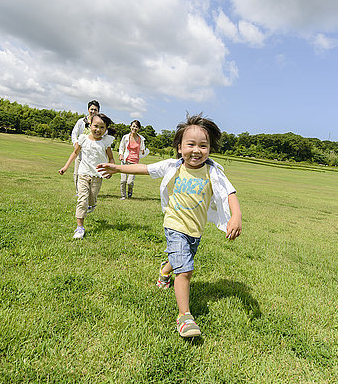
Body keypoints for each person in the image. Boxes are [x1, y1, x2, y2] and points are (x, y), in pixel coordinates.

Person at [98, 113, 242, 338]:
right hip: (174, 225)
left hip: (196, 229)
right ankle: (184, 317)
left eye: (203, 146)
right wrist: (117, 168)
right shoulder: (173, 166)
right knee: (186, 269)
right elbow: (145, 169)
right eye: (191, 144)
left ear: (210, 148)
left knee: (179, 262)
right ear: (179, 147)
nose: (197, 150)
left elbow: (230, 193)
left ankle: (165, 270)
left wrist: (236, 216)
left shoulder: (213, 171)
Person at [59, 113, 115, 239]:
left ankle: (92, 204)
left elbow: (111, 158)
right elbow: (75, 153)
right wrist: (65, 167)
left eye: (102, 127)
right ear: (90, 125)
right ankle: (79, 228)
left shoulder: (106, 142)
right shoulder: (83, 138)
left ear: (106, 129)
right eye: (95, 126)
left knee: (92, 198)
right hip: (83, 173)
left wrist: (111, 170)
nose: (98, 130)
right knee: (82, 199)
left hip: (97, 176)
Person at [71, 100, 101, 192]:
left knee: (91, 174)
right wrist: (75, 143)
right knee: (77, 173)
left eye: (95, 110)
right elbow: (74, 133)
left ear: (98, 111)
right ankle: (78, 192)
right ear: (88, 109)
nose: (93, 111)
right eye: (91, 109)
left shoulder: (99, 123)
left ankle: (90, 192)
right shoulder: (81, 121)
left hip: (92, 154)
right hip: (80, 153)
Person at [118, 120, 147, 199]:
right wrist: (121, 155)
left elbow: (142, 149)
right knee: (123, 180)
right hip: (125, 161)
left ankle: (130, 191)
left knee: (130, 182)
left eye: (136, 127)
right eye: (133, 126)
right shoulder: (125, 137)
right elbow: (121, 147)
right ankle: (123, 196)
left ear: (139, 129)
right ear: (130, 127)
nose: (134, 128)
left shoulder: (141, 139)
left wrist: (143, 151)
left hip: (134, 163)